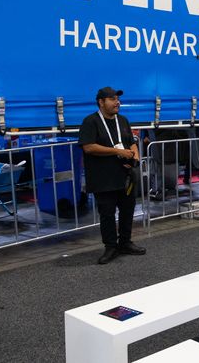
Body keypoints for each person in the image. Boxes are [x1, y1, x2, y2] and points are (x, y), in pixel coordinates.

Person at [78, 87, 146, 265]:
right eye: (112, 99)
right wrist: (117, 152)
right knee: (107, 214)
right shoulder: (90, 121)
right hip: (103, 178)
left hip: (125, 176)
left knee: (127, 210)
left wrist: (135, 158)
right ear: (101, 102)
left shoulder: (122, 120)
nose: (117, 102)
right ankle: (110, 247)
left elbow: (131, 142)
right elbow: (89, 147)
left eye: (117, 99)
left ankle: (125, 242)